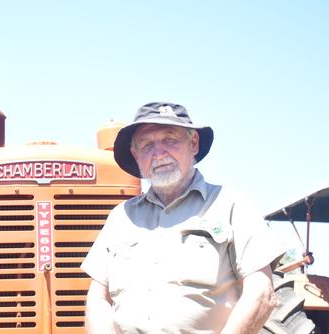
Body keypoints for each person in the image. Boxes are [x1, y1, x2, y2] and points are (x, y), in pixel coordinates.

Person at [81, 102, 284, 333]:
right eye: (147, 145)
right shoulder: (121, 218)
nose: (159, 153)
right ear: (136, 156)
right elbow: (97, 299)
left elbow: (261, 291)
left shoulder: (231, 206)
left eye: (170, 140)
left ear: (193, 144)